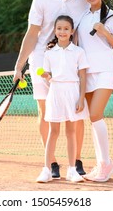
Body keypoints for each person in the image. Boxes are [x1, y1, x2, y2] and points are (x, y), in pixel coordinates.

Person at [13, 0, 113, 179]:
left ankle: (76, 162)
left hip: (71, 65)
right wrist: (19, 65)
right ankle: (52, 163)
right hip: (41, 63)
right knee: (46, 114)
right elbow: (32, 33)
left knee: (78, 113)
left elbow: (98, 14)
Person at [77, 0, 113, 182]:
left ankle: (106, 164)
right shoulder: (81, 16)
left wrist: (105, 31)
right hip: (87, 73)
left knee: (96, 114)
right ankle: (101, 164)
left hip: (105, 70)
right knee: (93, 119)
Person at [36, 15, 89, 183]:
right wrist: (46, 76)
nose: (62, 31)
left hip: (73, 92)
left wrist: (81, 99)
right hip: (55, 93)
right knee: (53, 131)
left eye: (66, 28)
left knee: (71, 132)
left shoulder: (79, 52)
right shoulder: (49, 53)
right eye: (59, 28)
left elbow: (82, 76)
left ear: (72, 31)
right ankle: (46, 169)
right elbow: (48, 77)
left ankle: (72, 170)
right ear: (55, 31)